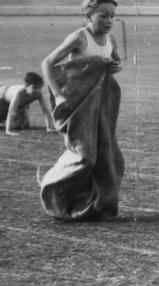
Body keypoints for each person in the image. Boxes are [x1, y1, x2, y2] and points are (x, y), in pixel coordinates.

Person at [39, 0, 124, 220]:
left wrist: (116, 65)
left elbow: (116, 63)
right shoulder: (79, 37)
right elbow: (47, 63)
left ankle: (96, 205)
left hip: (102, 105)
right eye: (103, 15)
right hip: (77, 106)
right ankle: (52, 189)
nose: (109, 21)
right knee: (86, 157)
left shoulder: (111, 39)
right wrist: (58, 95)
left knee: (107, 155)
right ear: (89, 15)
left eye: (112, 16)